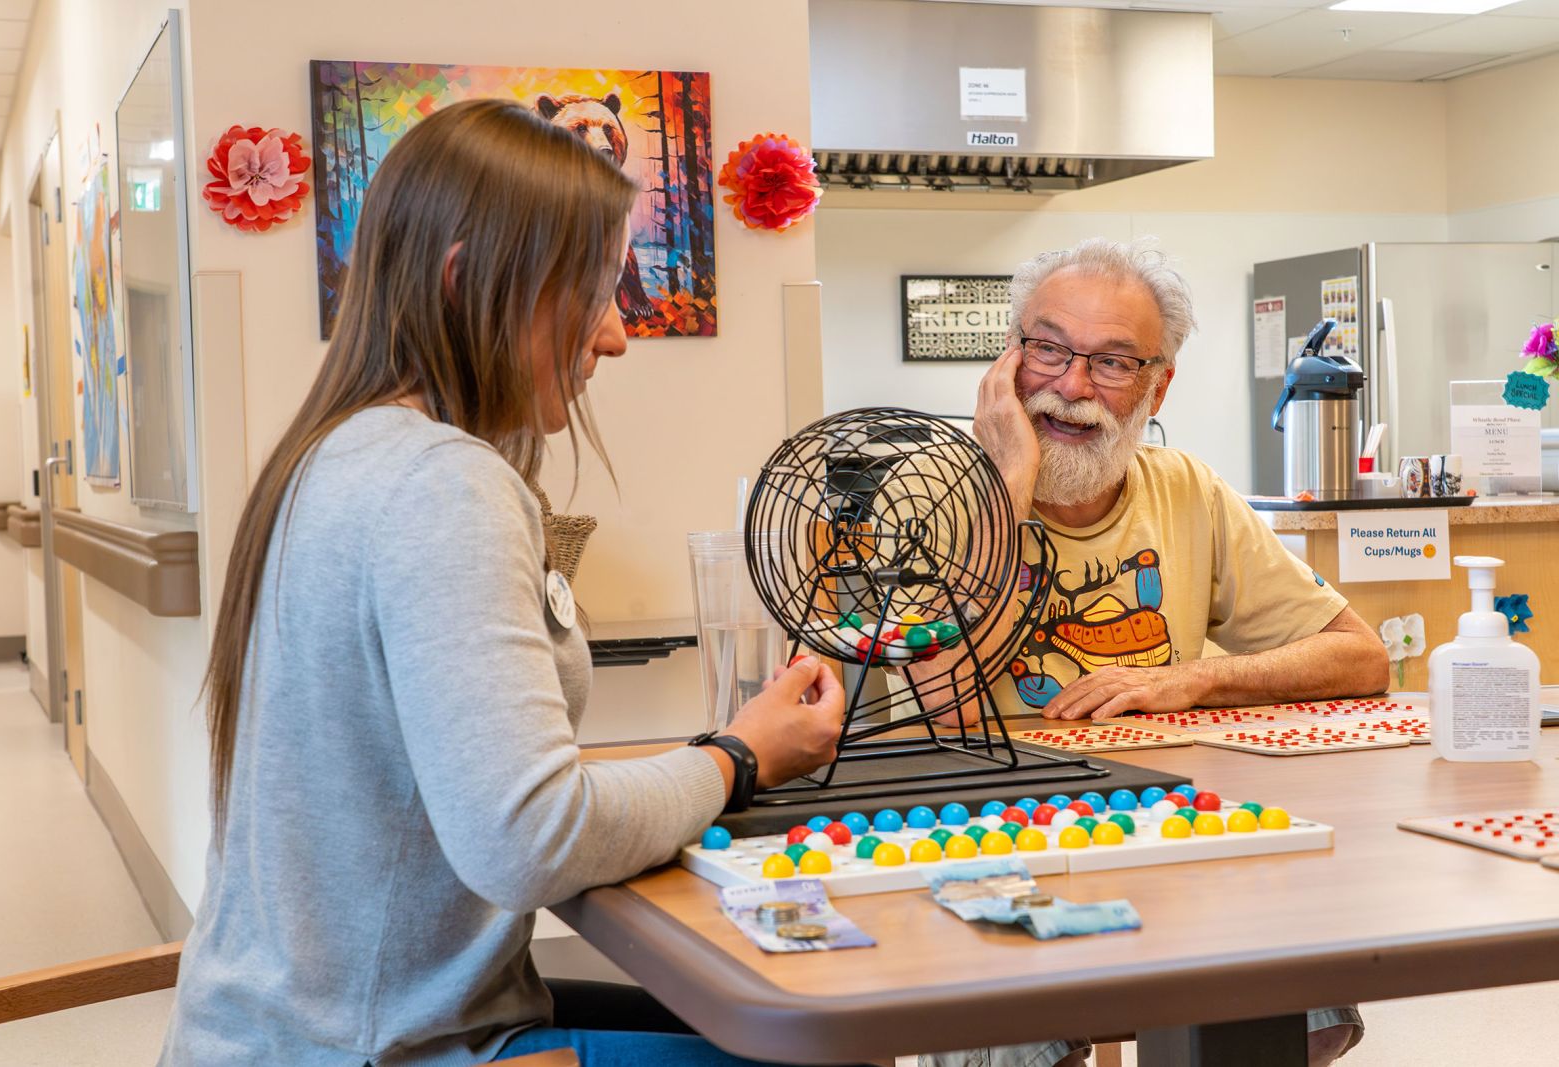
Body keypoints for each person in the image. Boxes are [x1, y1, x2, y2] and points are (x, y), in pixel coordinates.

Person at [158, 98, 847, 1067]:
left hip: (281, 1028)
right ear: (465, 279)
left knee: (763, 1008)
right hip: (378, 1045)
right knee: (825, 1043)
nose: (616, 335)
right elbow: (530, 838)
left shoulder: (332, 454)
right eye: (598, 293)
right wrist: (740, 756)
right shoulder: (442, 483)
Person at [919, 238, 1388, 1067]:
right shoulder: (937, 495)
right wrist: (1011, 485)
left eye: (1110, 362)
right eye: (1049, 348)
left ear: (1157, 384)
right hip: (980, 836)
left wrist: (1192, 677)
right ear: (1009, 356)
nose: (1069, 386)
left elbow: (1360, 658)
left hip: (1160, 830)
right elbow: (944, 701)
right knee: (1017, 1021)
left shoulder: (1190, 490)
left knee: (1291, 988)